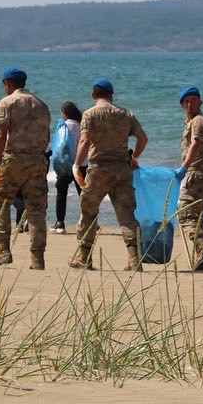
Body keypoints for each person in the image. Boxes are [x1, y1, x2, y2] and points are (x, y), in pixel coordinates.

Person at [69, 78, 149, 272]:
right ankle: (133, 258)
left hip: (98, 169)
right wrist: (134, 156)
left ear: (94, 95)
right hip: (122, 169)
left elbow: (85, 141)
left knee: (89, 212)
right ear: (111, 95)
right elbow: (143, 138)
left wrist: (77, 164)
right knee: (126, 215)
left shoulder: (89, 114)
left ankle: (84, 257)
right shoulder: (125, 114)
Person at [0, 67, 52, 269]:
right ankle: (37, 258)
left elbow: (1, 135)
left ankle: (2, 251)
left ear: (7, 83)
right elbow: (46, 136)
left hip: (14, 158)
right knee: (36, 208)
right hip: (37, 159)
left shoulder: (7, 102)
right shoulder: (41, 104)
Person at [175, 86, 203, 271]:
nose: (190, 104)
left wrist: (184, 168)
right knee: (197, 216)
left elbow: (195, 145)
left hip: (198, 173)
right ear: (182, 104)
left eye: (193, 101)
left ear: (200, 102)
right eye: (186, 101)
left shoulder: (198, 121)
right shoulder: (192, 121)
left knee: (185, 214)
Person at [53, 101, 86, 234]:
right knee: (84, 195)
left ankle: (60, 223)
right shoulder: (82, 125)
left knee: (61, 193)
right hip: (82, 164)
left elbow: (60, 146)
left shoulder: (63, 126)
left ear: (65, 113)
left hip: (66, 165)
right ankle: (90, 222)